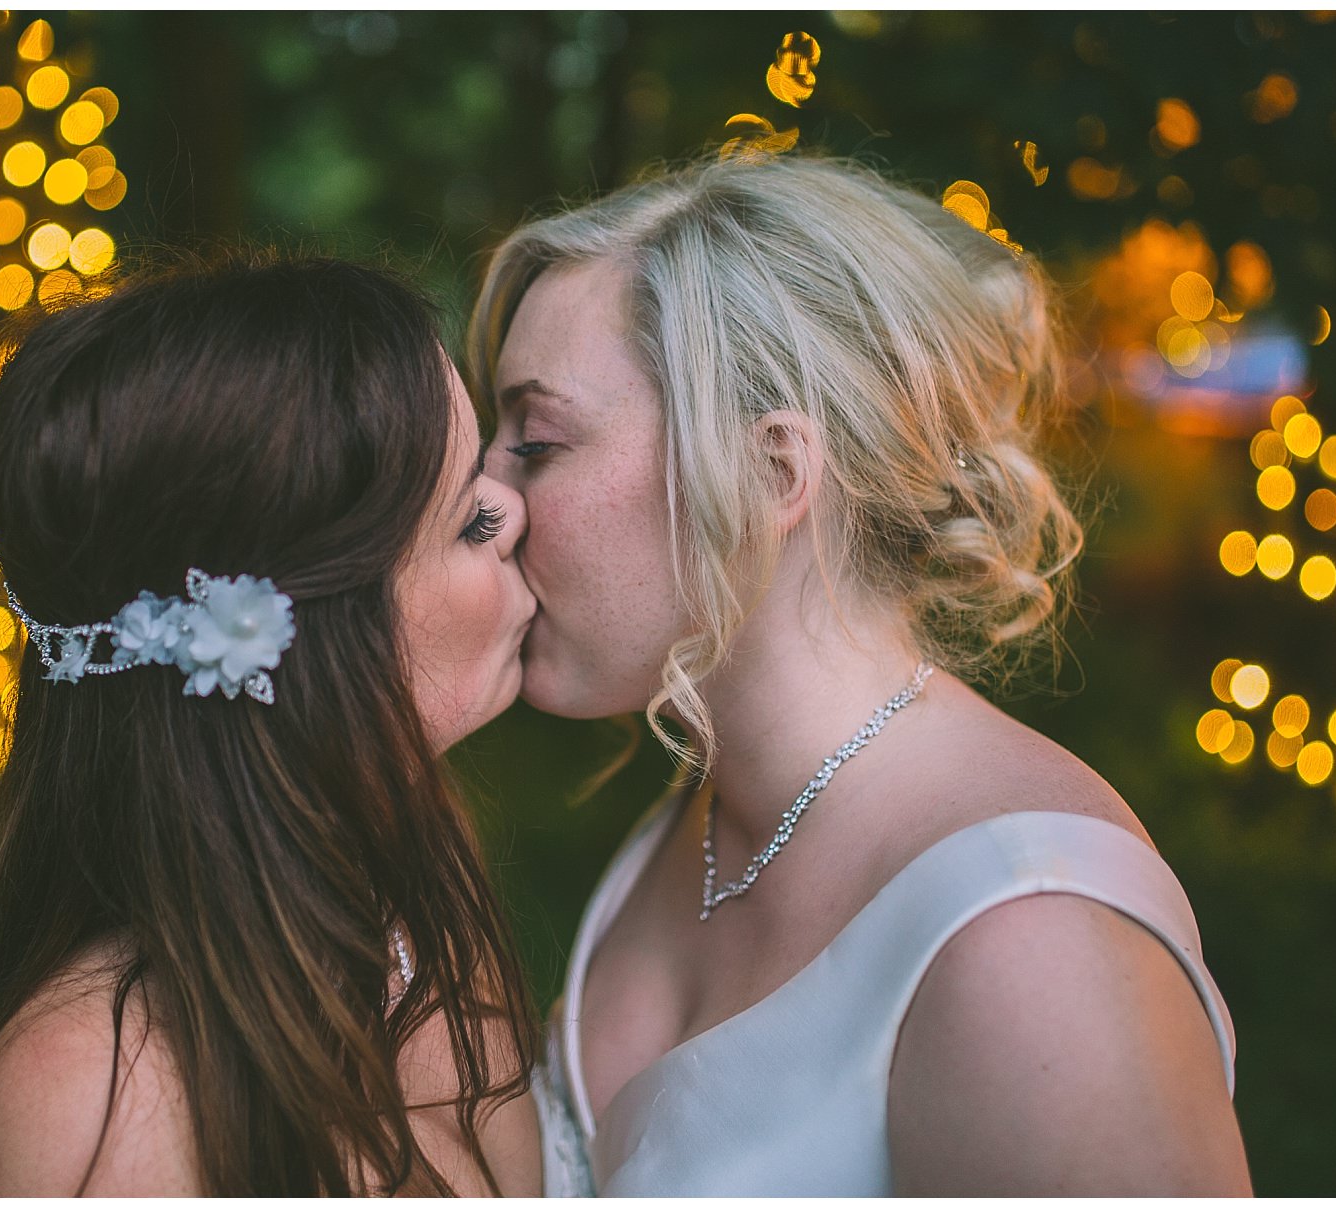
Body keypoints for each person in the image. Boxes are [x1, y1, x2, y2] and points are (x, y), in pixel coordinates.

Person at [469, 154, 1252, 1195]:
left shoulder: (1033, 936)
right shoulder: (698, 818)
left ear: (771, 473)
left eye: (535, 439)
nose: (485, 501)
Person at [0, 252, 543, 1195]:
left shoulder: (422, 903)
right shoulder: (94, 1092)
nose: (516, 510)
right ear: (307, 644)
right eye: (467, 525)